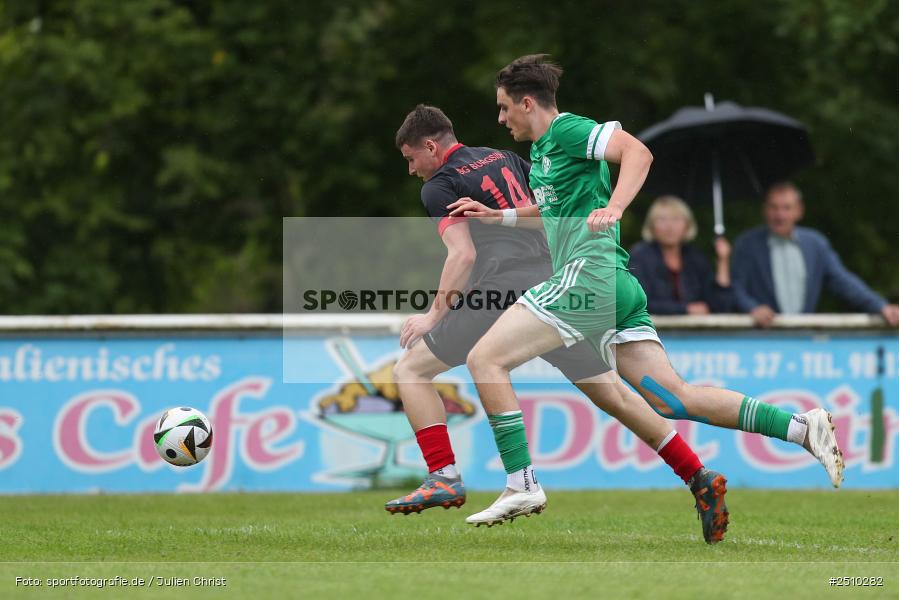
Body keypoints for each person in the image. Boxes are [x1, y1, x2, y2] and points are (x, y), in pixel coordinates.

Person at [449, 55, 843, 541]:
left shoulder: (569, 130)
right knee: (672, 399)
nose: (501, 118)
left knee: (485, 359)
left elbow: (638, 153)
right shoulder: (546, 152)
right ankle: (803, 428)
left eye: (504, 107)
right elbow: (550, 210)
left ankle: (521, 483)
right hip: (615, 284)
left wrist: (615, 208)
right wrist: (498, 218)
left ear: (527, 102)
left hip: (587, 278)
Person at [388, 104, 727, 542]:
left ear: (430, 146)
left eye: (411, 159)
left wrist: (434, 313)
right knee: (613, 394)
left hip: (505, 288)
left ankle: (447, 475)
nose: (413, 170)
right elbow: (547, 213)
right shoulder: (503, 157)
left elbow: (463, 255)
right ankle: (698, 475)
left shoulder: (440, 185)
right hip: (558, 282)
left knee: (411, 369)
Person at [732, 182, 899, 328]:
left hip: (803, 338)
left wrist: (880, 306)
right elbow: (736, 287)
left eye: (786, 208)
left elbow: (843, 281)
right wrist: (752, 308)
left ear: (799, 211)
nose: (780, 215)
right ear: (765, 210)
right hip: (762, 340)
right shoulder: (747, 245)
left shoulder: (815, 244)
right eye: (774, 207)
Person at [629, 195, 735, 314]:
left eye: (676, 219)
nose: (669, 227)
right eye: (662, 220)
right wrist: (685, 309)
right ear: (651, 226)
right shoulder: (639, 256)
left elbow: (722, 305)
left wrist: (723, 261)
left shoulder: (695, 257)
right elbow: (638, 303)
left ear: (687, 225)